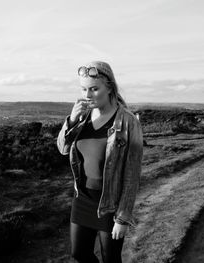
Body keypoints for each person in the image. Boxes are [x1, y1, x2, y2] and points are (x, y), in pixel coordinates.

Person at [57, 61, 143, 263]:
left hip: (110, 203)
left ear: (110, 87)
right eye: (84, 89)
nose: (87, 95)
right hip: (83, 198)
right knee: (79, 254)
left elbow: (132, 175)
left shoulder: (129, 122)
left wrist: (122, 217)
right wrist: (71, 121)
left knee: (110, 258)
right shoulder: (81, 117)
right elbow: (63, 149)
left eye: (94, 89)